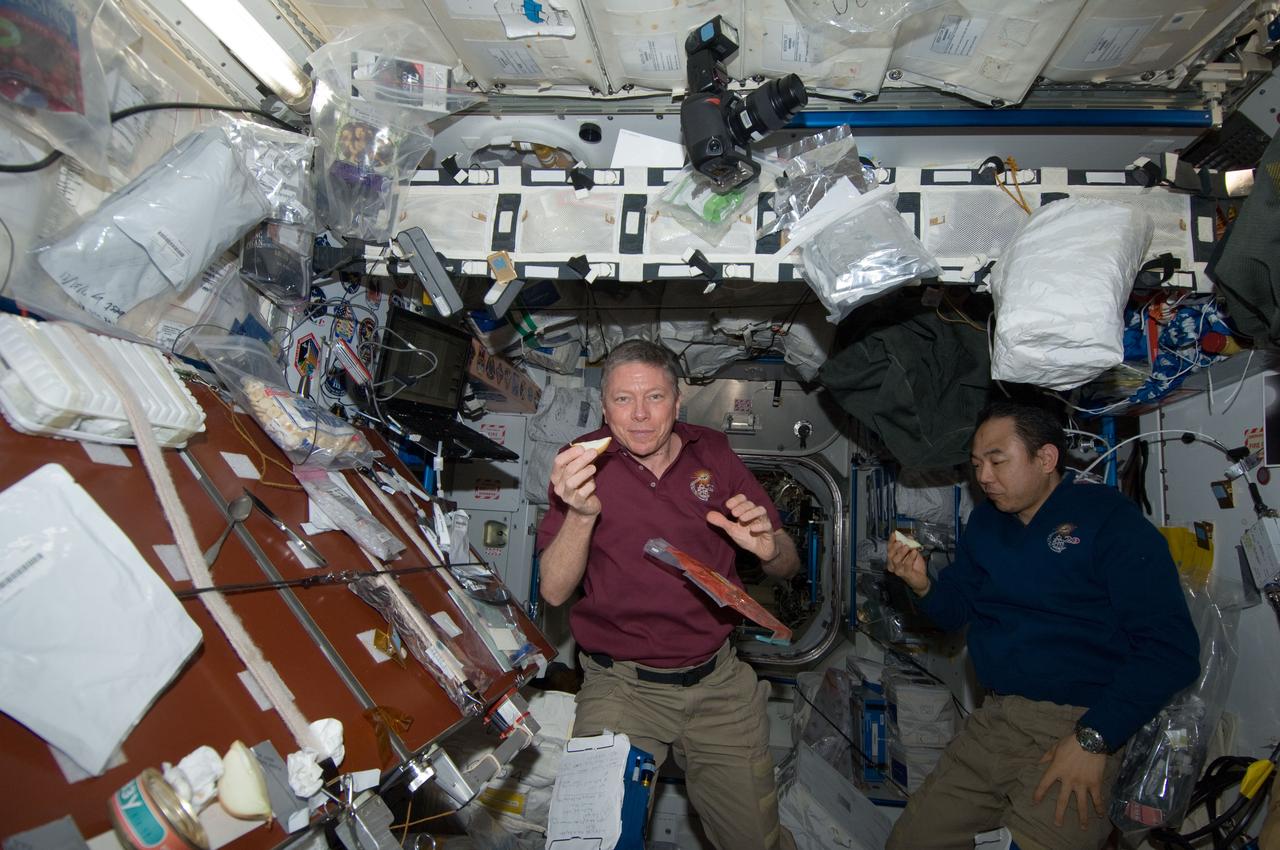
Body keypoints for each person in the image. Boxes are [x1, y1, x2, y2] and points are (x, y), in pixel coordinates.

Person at [885, 398, 1201, 850]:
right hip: (996, 722)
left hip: (1079, 726)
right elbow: (954, 612)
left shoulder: (1109, 521)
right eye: (977, 464)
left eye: (997, 461)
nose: (983, 477)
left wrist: (1095, 739)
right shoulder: (985, 524)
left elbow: (1171, 650)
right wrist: (921, 586)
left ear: (1046, 458)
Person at [536, 339, 800, 850]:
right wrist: (581, 515)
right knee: (589, 842)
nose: (638, 416)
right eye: (622, 400)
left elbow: (786, 564)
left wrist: (769, 548)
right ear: (604, 405)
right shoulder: (579, 466)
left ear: (678, 403)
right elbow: (553, 590)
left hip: (719, 683)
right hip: (622, 688)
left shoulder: (715, 453)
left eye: (654, 398)